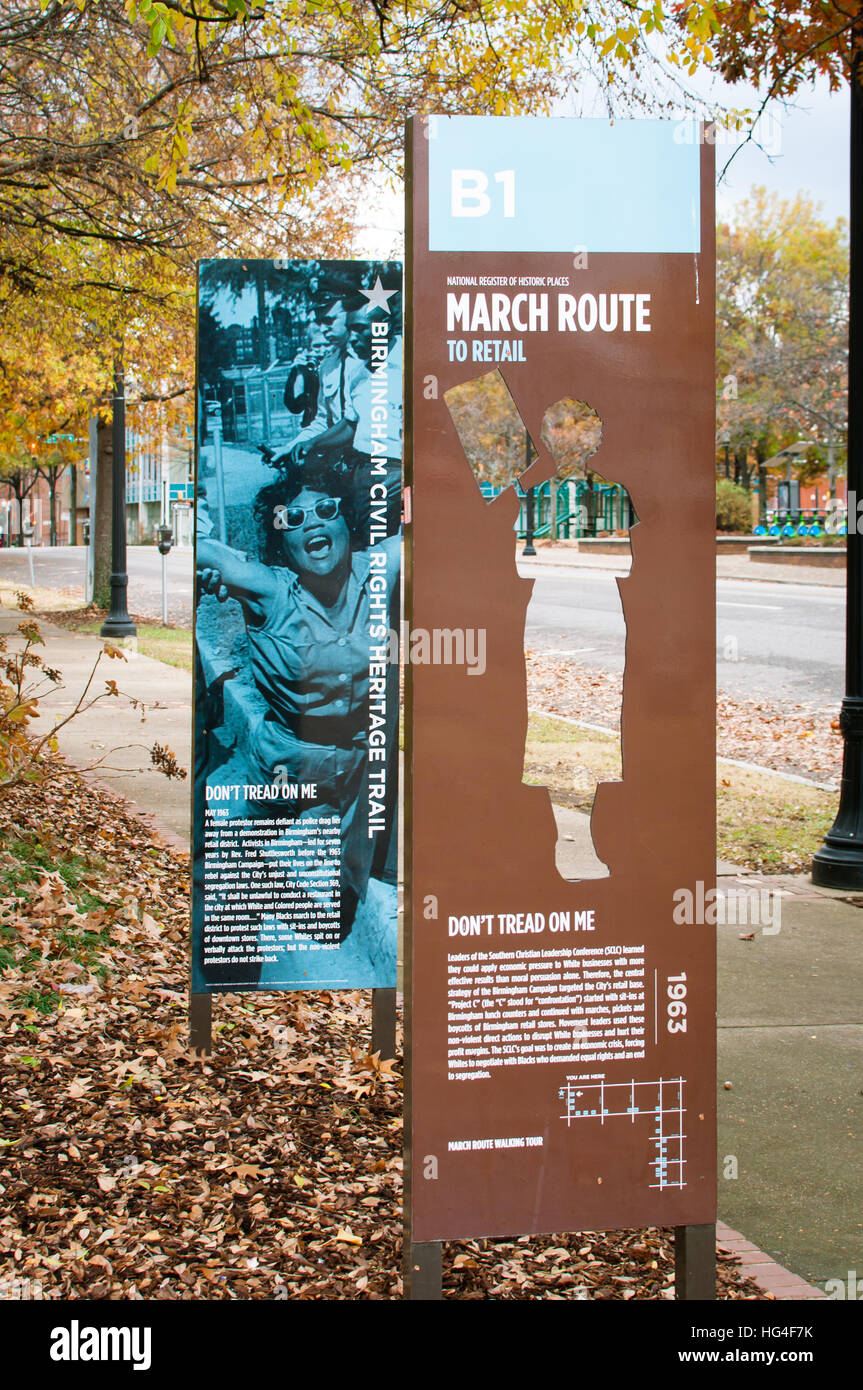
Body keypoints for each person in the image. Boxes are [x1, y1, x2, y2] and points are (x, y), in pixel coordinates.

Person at [197, 449, 399, 943]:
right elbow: (198, 549)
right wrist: (202, 569)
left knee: (347, 908)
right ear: (281, 539)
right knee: (234, 873)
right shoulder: (269, 588)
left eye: (327, 510)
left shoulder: (379, 572)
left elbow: (438, 516)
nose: (313, 524)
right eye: (294, 517)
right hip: (288, 756)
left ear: (348, 521)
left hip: (361, 761)